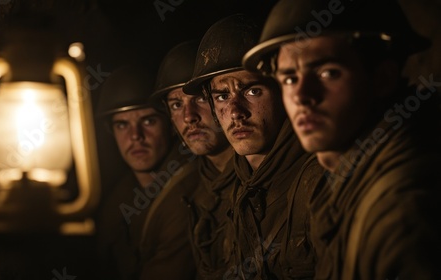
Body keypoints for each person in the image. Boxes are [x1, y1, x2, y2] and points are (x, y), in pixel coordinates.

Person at [243, 0, 441, 279]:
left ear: (382, 79)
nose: (301, 96)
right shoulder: (342, 180)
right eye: (289, 79)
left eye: (328, 73)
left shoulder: (404, 213)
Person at [183, 14, 325, 279]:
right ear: (213, 109)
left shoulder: (318, 180)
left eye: (252, 91)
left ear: (284, 93)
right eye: (223, 96)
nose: (236, 112)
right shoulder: (237, 190)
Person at [95, 64, 196, 280]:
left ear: (171, 124)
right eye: (122, 125)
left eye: (148, 121)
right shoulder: (119, 198)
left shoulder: (187, 192)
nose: (135, 136)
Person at [150, 40, 236, 279]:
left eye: (199, 99)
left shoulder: (262, 174)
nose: (189, 117)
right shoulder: (186, 191)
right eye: (177, 105)